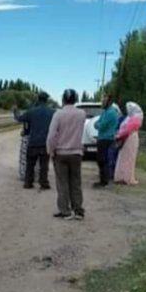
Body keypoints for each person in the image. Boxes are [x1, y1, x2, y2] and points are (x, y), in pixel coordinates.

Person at [46, 89, 87, 220]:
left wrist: (50, 150)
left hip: (61, 154)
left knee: (62, 183)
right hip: (76, 153)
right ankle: (78, 210)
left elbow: (52, 135)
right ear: (75, 99)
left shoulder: (58, 114)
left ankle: (65, 211)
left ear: (63, 99)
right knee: (76, 182)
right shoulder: (82, 114)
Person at [14, 92, 55, 190]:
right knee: (44, 165)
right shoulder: (52, 112)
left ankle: (28, 183)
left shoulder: (31, 111)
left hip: (33, 143)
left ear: (38, 99)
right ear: (47, 100)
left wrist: (15, 111)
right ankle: (44, 183)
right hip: (45, 143)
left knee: (30, 164)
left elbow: (19, 119)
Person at [93, 94, 120, 188]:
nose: (102, 103)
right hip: (102, 138)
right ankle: (102, 180)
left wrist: (98, 125)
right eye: (102, 101)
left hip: (106, 139)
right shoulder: (105, 111)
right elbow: (96, 123)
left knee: (103, 160)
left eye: (104, 101)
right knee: (101, 160)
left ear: (109, 102)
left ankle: (104, 181)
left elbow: (101, 125)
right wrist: (97, 124)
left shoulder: (111, 113)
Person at [115, 102, 144, 185]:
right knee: (124, 157)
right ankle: (121, 176)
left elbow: (128, 129)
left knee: (129, 157)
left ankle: (126, 177)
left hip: (130, 138)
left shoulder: (135, 118)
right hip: (127, 138)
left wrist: (118, 135)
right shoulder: (130, 117)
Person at [106, 103, 124, 176]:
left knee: (114, 156)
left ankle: (113, 173)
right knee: (109, 156)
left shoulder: (121, 119)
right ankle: (110, 173)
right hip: (110, 139)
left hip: (117, 139)